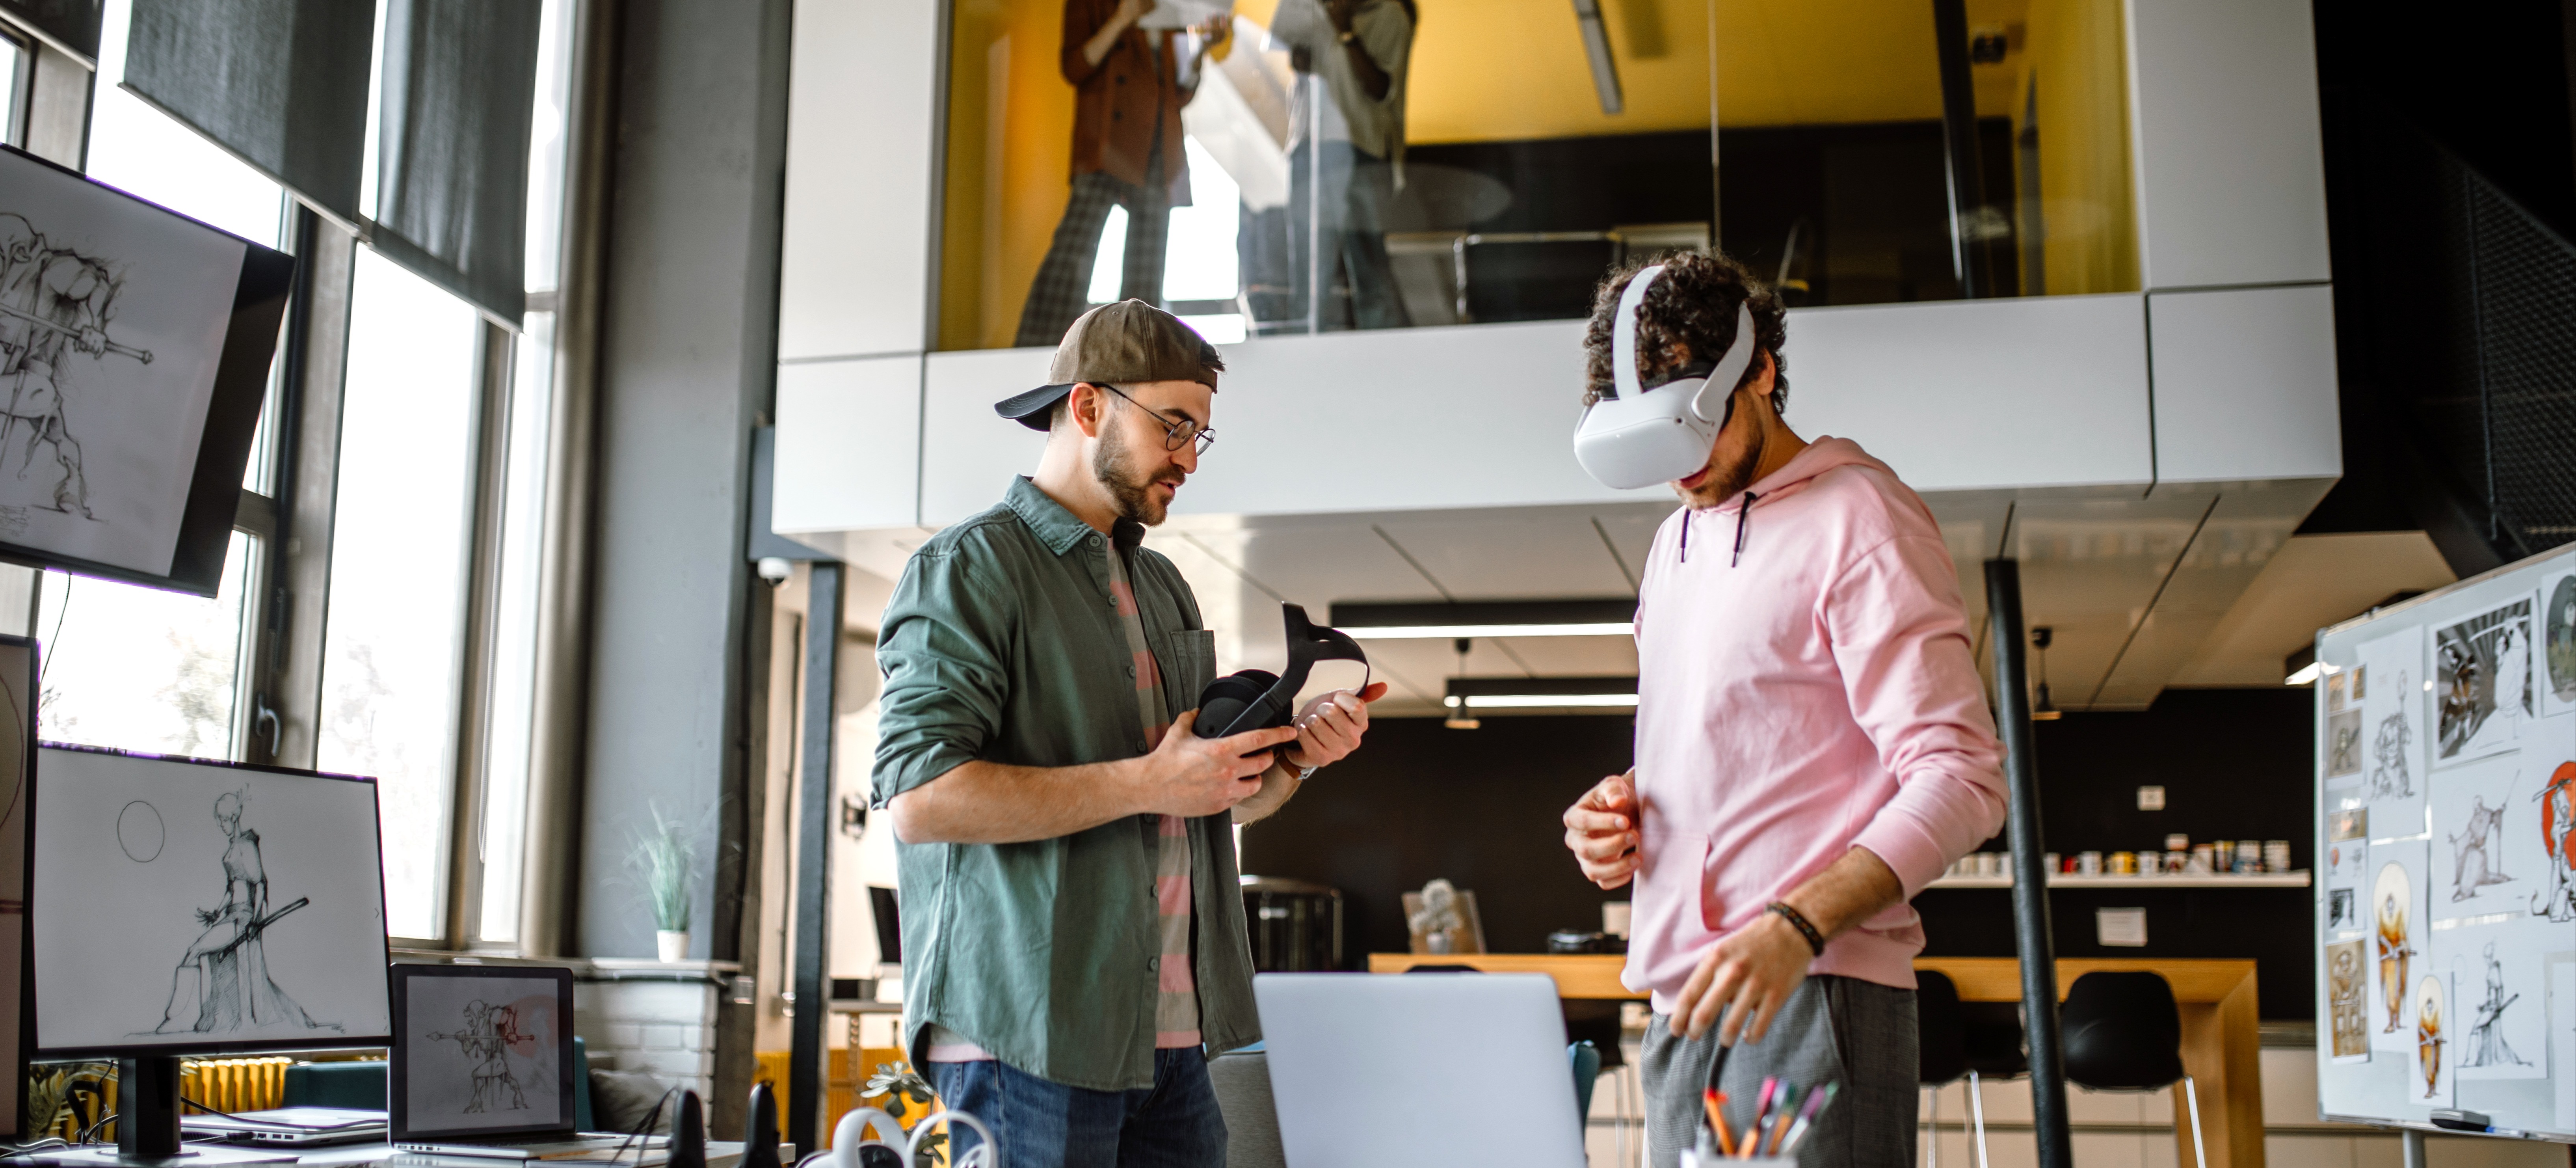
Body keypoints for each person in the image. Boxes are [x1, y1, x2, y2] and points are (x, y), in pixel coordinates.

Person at [874, 300, 1388, 1167]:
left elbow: (1198, 798)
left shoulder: (1164, 587)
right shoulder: (968, 568)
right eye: (1174, 426)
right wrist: (1151, 782)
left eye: (1201, 435)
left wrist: (1291, 758)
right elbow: (921, 797)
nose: (1189, 457)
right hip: (1029, 1035)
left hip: (1174, 1042)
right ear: (1086, 408)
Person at [1557, 251, 2007, 1167]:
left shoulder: (1861, 518)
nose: (1676, 468)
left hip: (1809, 987)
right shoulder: (1673, 540)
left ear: (1757, 373)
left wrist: (1792, 923)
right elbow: (1748, 746)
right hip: (1681, 1003)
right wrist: (1628, 809)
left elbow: (1960, 776)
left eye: (1691, 429)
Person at [1014, 0, 1230, 348]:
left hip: (1159, 144)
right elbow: (1073, 67)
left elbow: (1179, 91)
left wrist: (1201, 46)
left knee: (1146, 267)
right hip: (1107, 142)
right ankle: (1037, 347)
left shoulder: (1172, 9)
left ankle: (1133, 357)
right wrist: (1121, 19)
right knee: (1073, 253)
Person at [1262, 0, 1413, 332]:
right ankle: (1311, 357)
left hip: (1361, 152)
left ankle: (1385, 355)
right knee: (1310, 271)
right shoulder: (1308, 10)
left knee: (1368, 265)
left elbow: (1382, 89)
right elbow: (1301, 72)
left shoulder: (1391, 16)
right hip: (1309, 150)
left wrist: (1346, 31)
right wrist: (1300, 59)